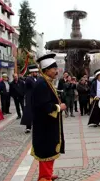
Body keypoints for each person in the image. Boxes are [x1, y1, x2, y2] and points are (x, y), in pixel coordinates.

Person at [31, 53, 66, 181]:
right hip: (44, 125)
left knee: (51, 149)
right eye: (54, 69)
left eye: (56, 69)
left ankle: (48, 173)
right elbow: (44, 106)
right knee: (47, 150)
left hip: (50, 124)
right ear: (46, 70)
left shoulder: (47, 82)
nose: (56, 71)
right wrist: (59, 107)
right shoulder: (42, 84)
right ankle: (44, 178)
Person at [21, 65, 38, 133]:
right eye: (35, 72)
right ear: (31, 72)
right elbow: (34, 85)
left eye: (36, 72)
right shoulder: (29, 79)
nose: (36, 73)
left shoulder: (37, 78)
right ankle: (28, 127)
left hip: (35, 98)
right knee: (29, 112)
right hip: (29, 98)